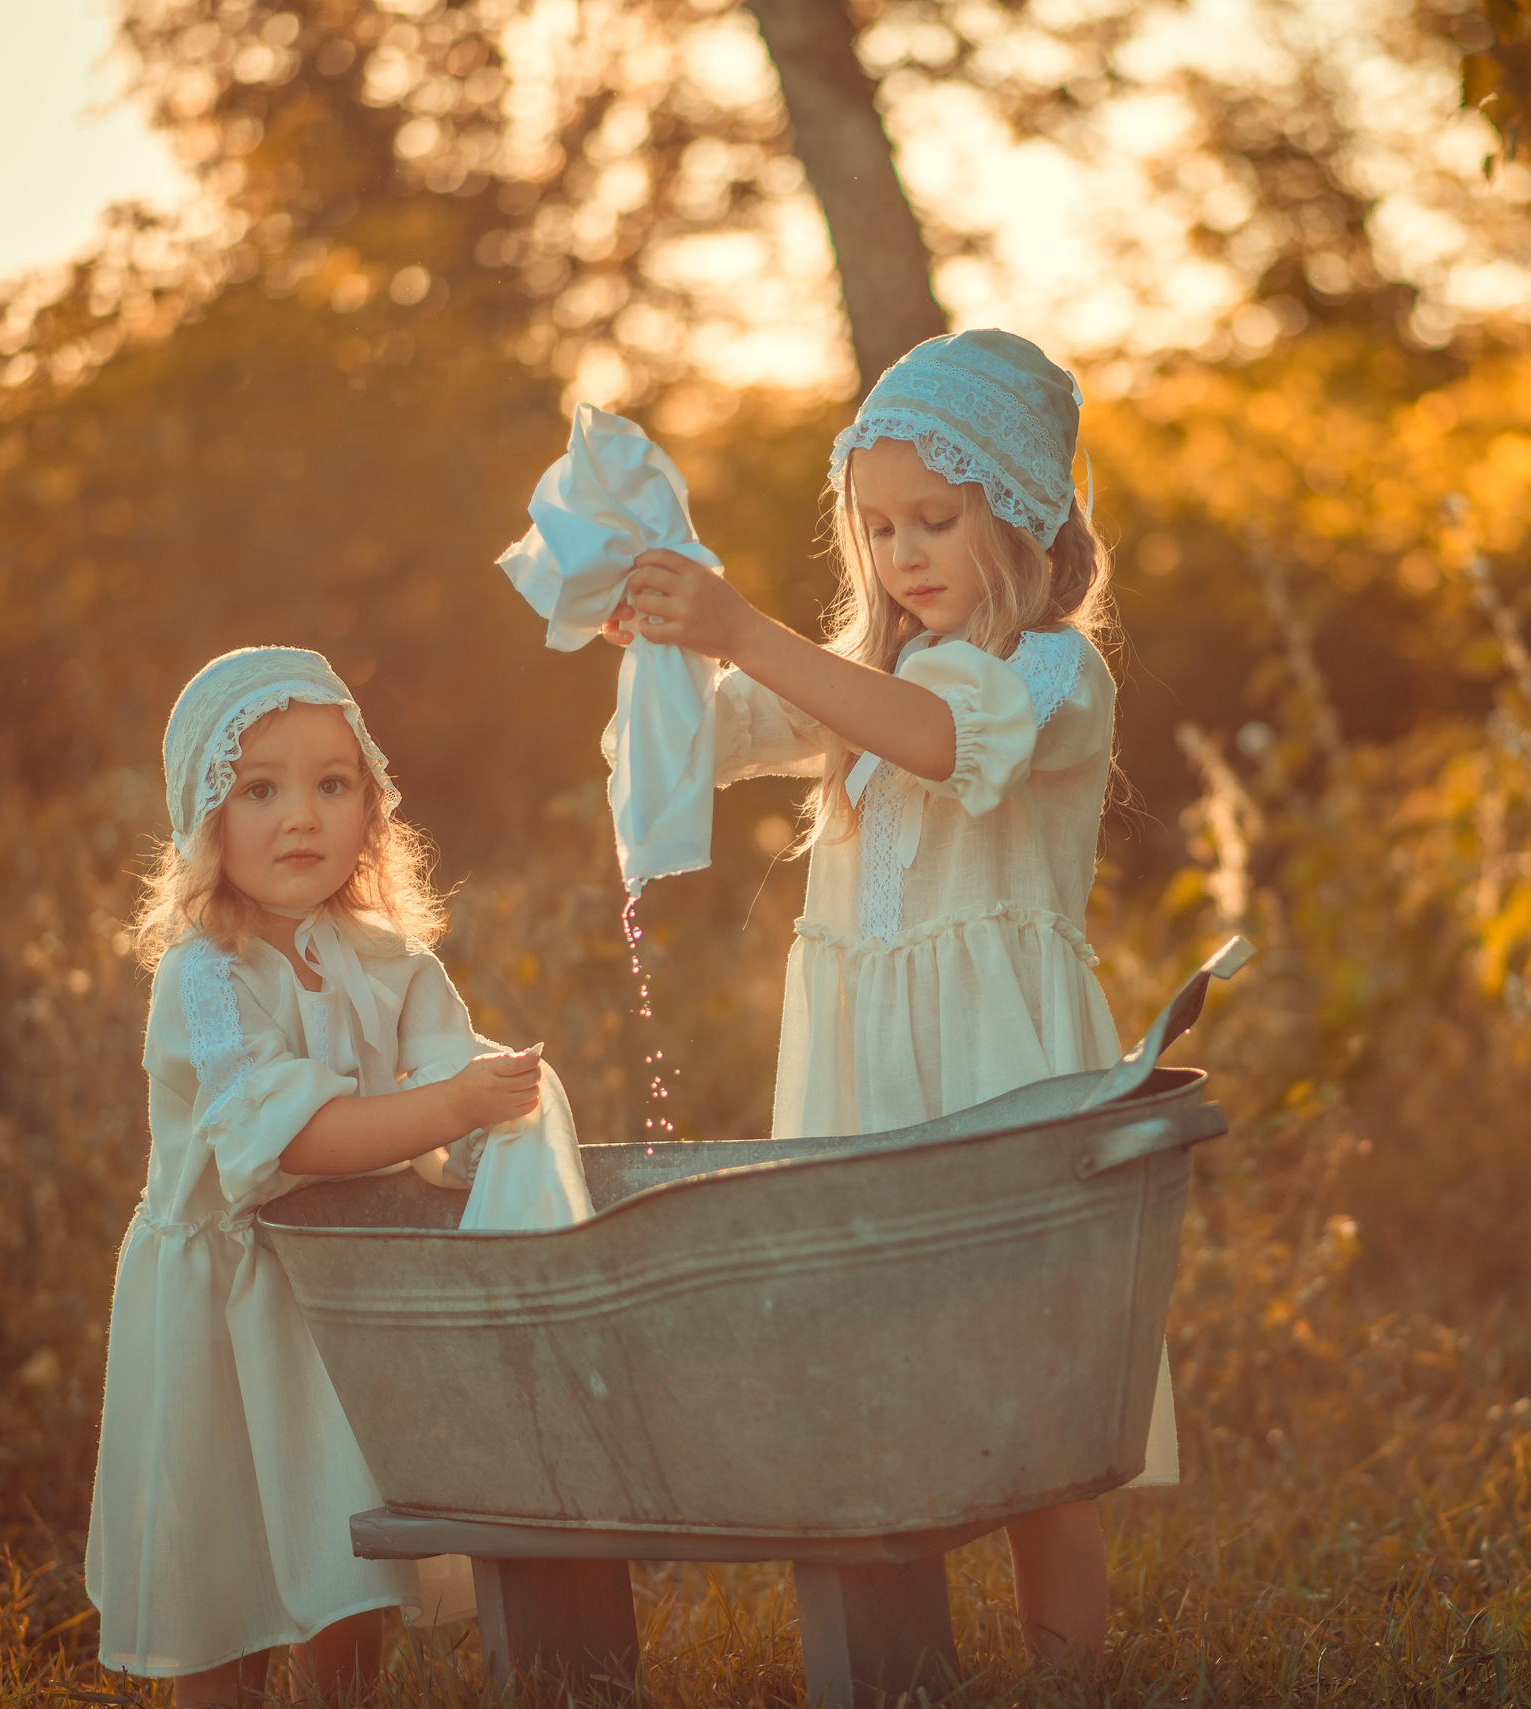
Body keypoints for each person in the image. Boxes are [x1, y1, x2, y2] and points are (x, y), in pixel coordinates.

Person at [605, 328, 1171, 1663]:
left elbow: (932, 739)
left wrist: (746, 625)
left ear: (1022, 517)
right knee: (879, 1373)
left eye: (937, 519)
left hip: (996, 1066)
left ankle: (1065, 1670)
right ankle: (894, 1662)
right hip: (870, 1065)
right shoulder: (874, 677)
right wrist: (672, 644)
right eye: (877, 526)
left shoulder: (1050, 675)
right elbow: (712, 740)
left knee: (1032, 1394)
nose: (904, 552)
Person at [87, 646, 569, 1706]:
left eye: (331, 784)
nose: (299, 815)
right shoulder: (203, 978)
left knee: (335, 1535)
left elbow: (449, 1058)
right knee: (223, 1553)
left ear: (371, 811)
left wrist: (491, 1106)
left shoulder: (383, 957)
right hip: (223, 1299)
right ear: (205, 816)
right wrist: (445, 1108)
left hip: (338, 1301)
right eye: (259, 787)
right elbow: (290, 1135)